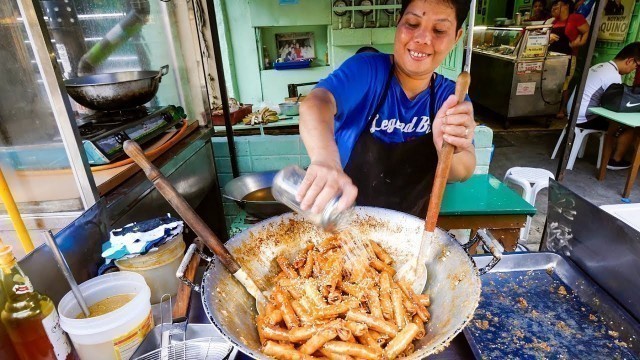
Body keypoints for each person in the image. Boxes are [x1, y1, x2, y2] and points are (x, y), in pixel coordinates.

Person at [297, 0, 476, 218]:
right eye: (412, 24)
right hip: (343, 223)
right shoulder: (367, 70)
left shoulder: (451, 98)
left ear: (456, 38)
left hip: (410, 231)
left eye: (439, 30)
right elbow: (316, 103)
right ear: (398, 23)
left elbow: (464, 170)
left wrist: (446, 150)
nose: (422, 39)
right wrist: (325, 159)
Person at [567, 42, 640, 170]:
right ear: (629, 61)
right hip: (584, 118)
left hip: (572, 112)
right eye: (636, 66)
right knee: (629, 127)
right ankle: (614, 160)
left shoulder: (600, 66)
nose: (634, 70)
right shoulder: (613, 76)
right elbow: (613, 107)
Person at [546, 0, 590, 119]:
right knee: (552, 83)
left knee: (564, 84)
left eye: (557, 5)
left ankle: (562, 109)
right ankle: (549, 107)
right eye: (553, 6)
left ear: (566, 6)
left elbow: (587, 31)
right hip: (553, 58)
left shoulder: (575, 18)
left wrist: (579, 43)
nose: (554, 8)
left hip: (568, 57)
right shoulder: (553, 22)